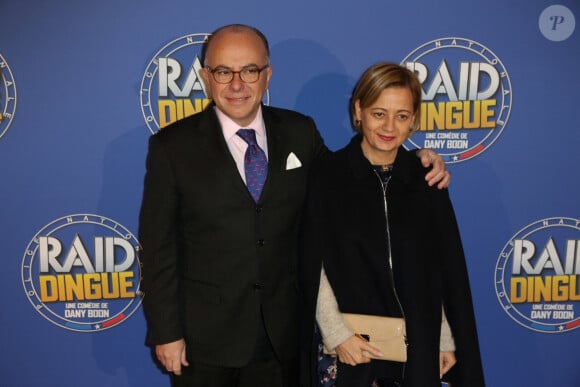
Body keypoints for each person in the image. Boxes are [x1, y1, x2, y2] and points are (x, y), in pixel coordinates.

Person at [138, 24, 449, 387]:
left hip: (283, 337)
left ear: (267, 75)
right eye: (223, 72)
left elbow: (350, 182)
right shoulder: (171, 147)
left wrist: (414, 162)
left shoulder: (300, 131)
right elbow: (159, 249)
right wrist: (166, 332)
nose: (236, 84)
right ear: (207, 76)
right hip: (203, 340)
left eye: (250, 70)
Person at [299, 62, 485, 386]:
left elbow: (438, 270)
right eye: (378, 113)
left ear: (413, 119)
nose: (389, 126)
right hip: (350, 348)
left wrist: (443, 339)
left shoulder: (426, 180)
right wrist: (336, 334)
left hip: (417, 349)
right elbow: (311, 264)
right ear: (359, 109)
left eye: (401, 116)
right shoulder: (326, 177)